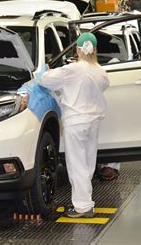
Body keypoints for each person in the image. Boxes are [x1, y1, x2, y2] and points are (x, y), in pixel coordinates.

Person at [39, 32, 109, 218]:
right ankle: (86, 202)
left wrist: (43, 70)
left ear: (78, 49)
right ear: (95, 50)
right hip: (93, 122)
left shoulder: (73, 69)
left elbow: (45, 80)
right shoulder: (100, 71)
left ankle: (83, 206)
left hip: (76, 122)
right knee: (87, 163)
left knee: (76, 163)